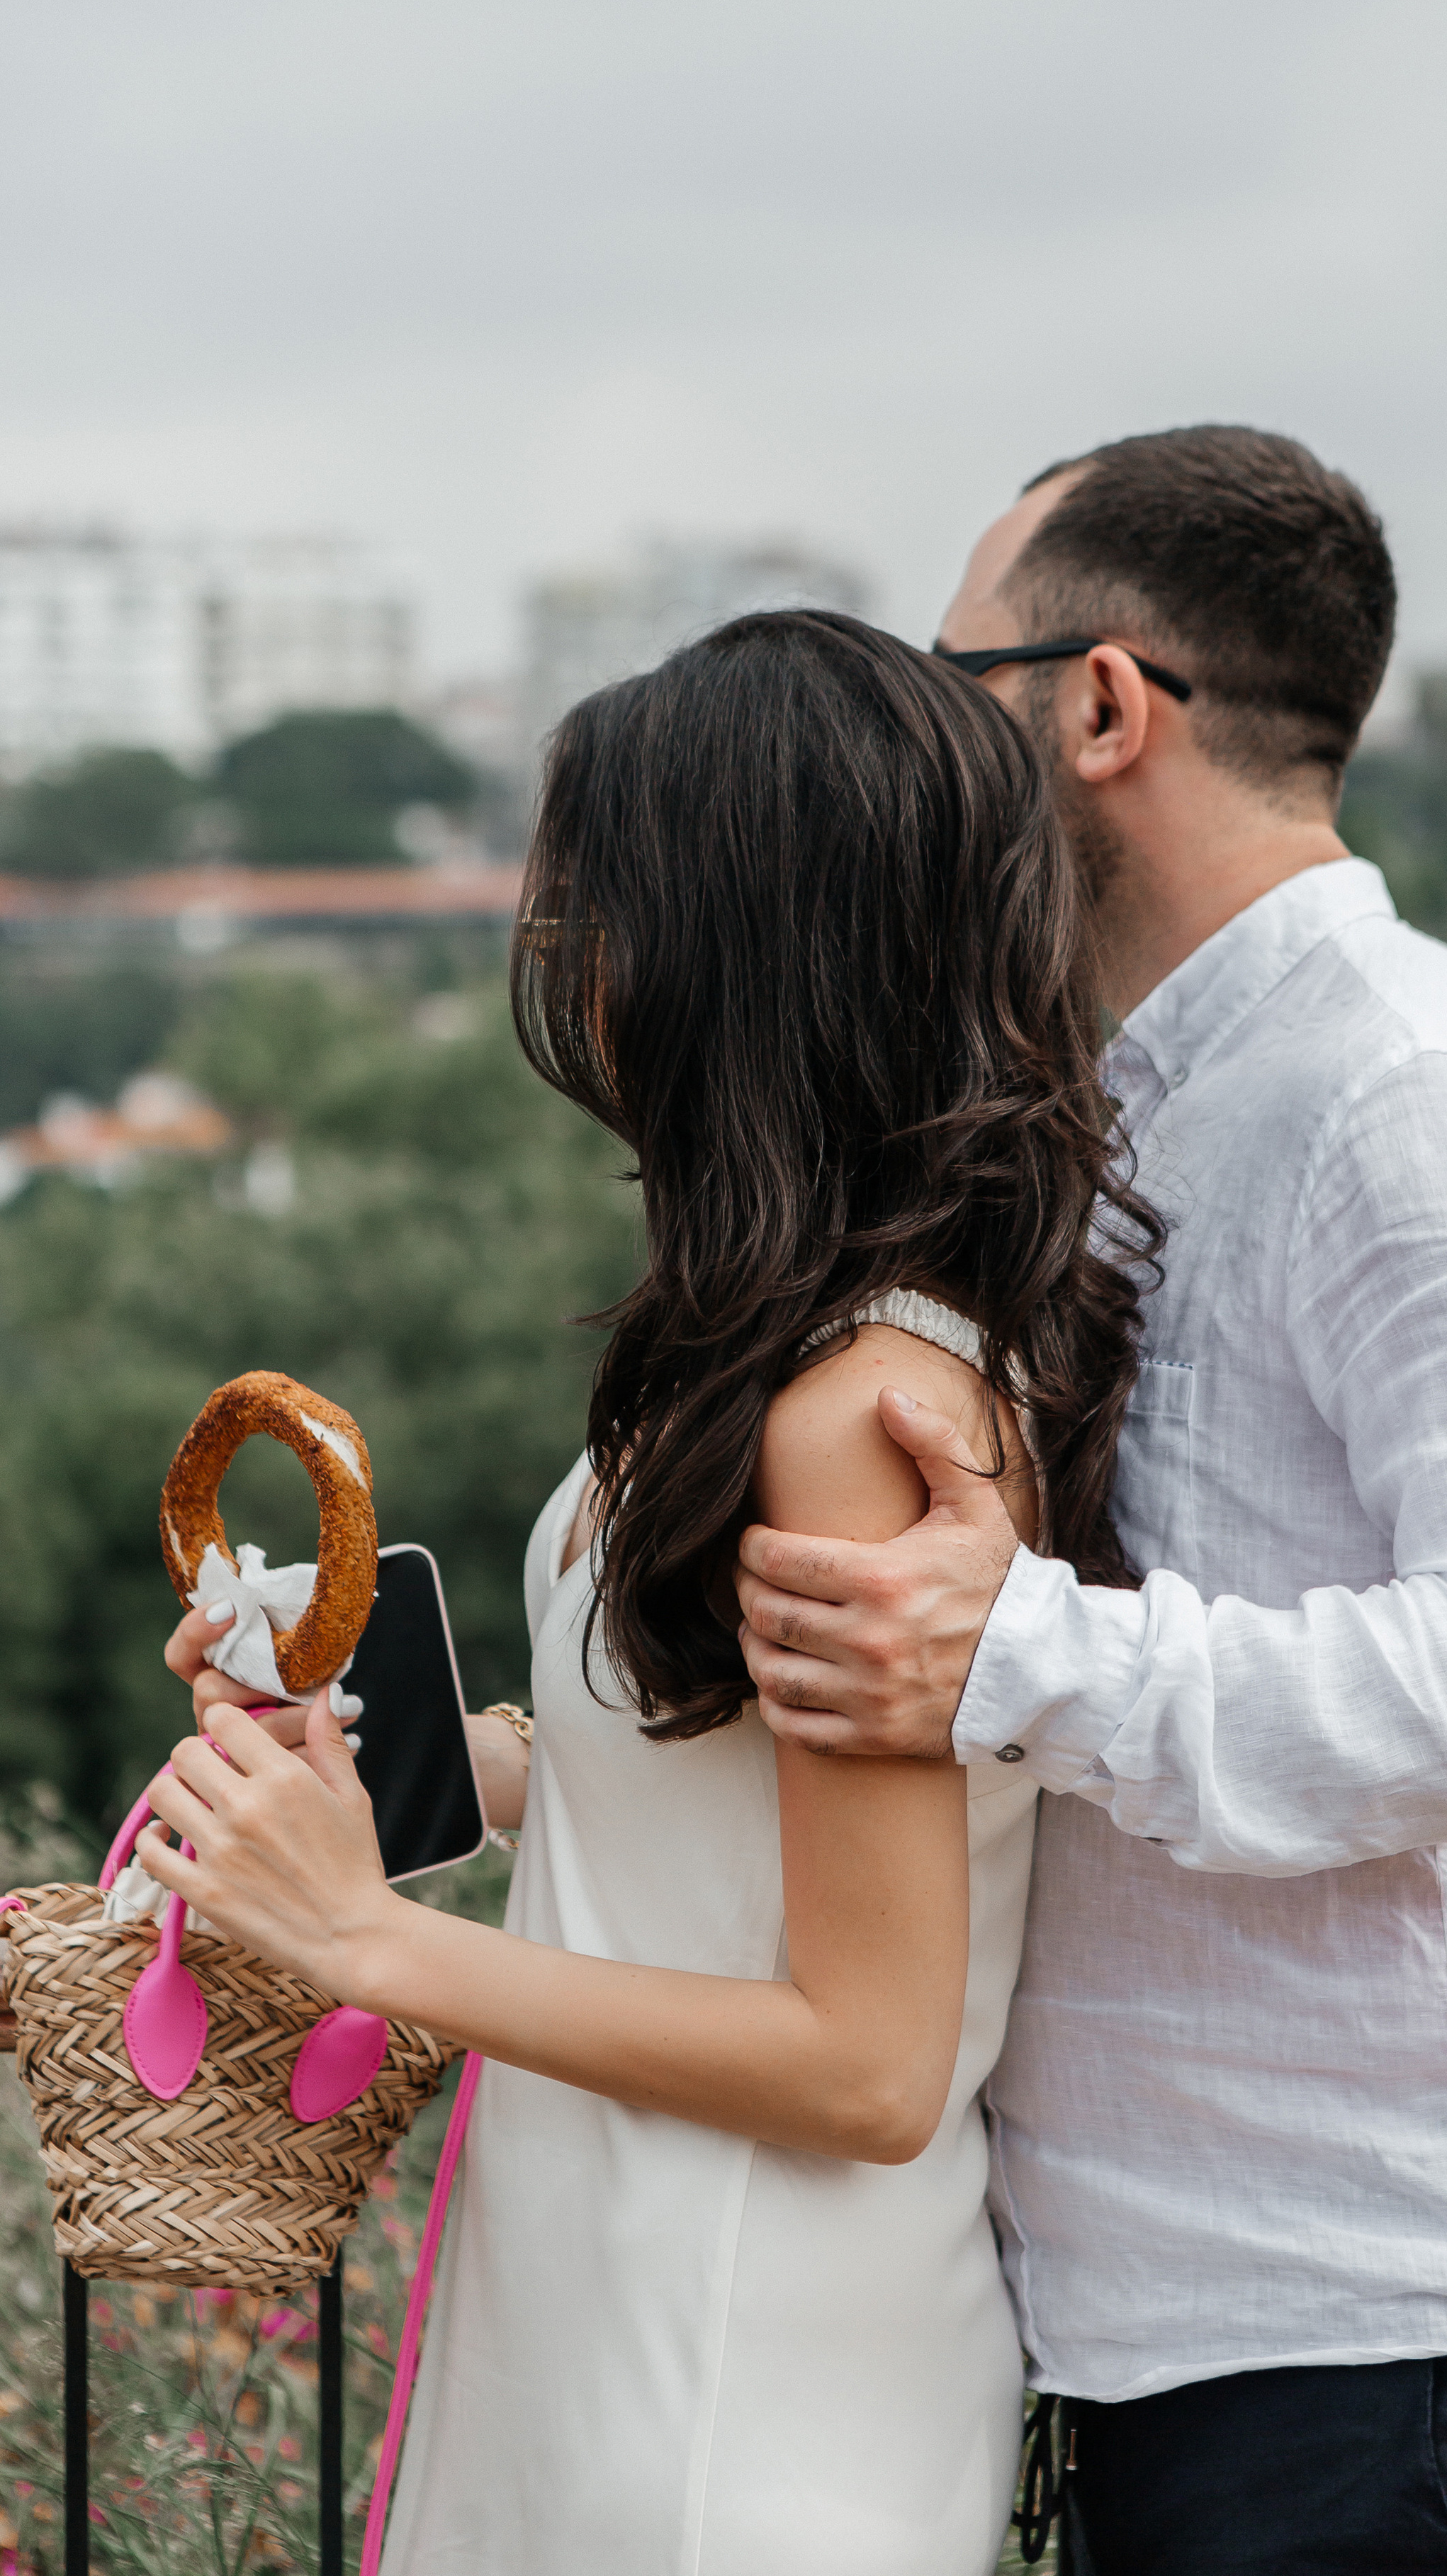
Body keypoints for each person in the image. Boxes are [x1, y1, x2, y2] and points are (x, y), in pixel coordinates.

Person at [737, 426, 1447, 2576]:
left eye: (958, 682)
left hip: (1413, 2347)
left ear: (1100, 706)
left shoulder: (1418, 1094)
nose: (930, 752)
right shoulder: (1145, 1105)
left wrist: (1020, 1654)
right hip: (1209, 2349)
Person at [145, 611, 1159, 2575]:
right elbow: (720, 1804)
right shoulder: (812, 1349)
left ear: (728, 944)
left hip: (733, 2385)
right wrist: (372, 1730)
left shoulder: (861, 1407)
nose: (570, 955)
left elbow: (870, 2061)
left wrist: (363, 1937)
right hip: (624, 2312)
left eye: (595, 902)